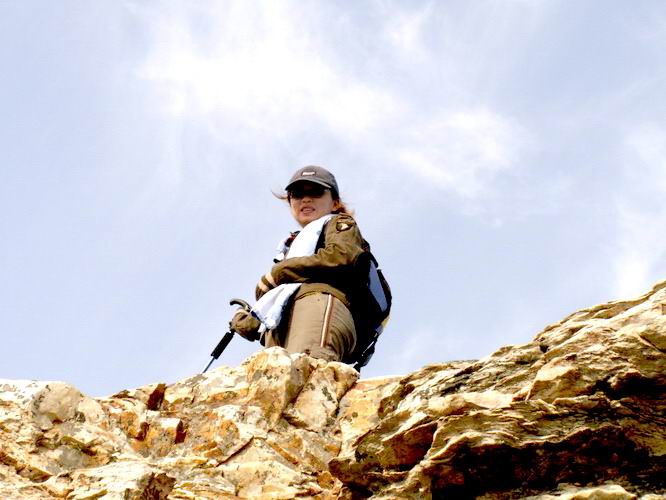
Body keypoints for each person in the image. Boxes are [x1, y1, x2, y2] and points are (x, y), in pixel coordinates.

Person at [230, 165, 368, 362]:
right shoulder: (292, 245)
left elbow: (341, 257)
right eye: (297, 194)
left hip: (319, 303)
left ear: (335, 202)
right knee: (276, 378)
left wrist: (279, 272)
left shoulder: (338, 223)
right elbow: (281, 298)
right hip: (288, 319)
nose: (306, 199)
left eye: (316, 191)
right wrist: (252, 320)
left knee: (306, 371)